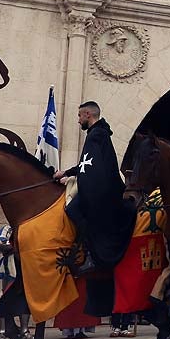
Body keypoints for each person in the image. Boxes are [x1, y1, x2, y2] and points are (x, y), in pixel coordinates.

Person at [56, 101, 133, 273]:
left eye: (79, 116)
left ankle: (91, 253)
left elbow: (94, 169)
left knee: (73, 209)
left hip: (100, 192)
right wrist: (67, 173)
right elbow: (87, 164)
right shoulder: (97, 133)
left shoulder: (97, 135)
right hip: (97, 188)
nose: (78, 120)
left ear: (88, 115)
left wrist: (88, 192)